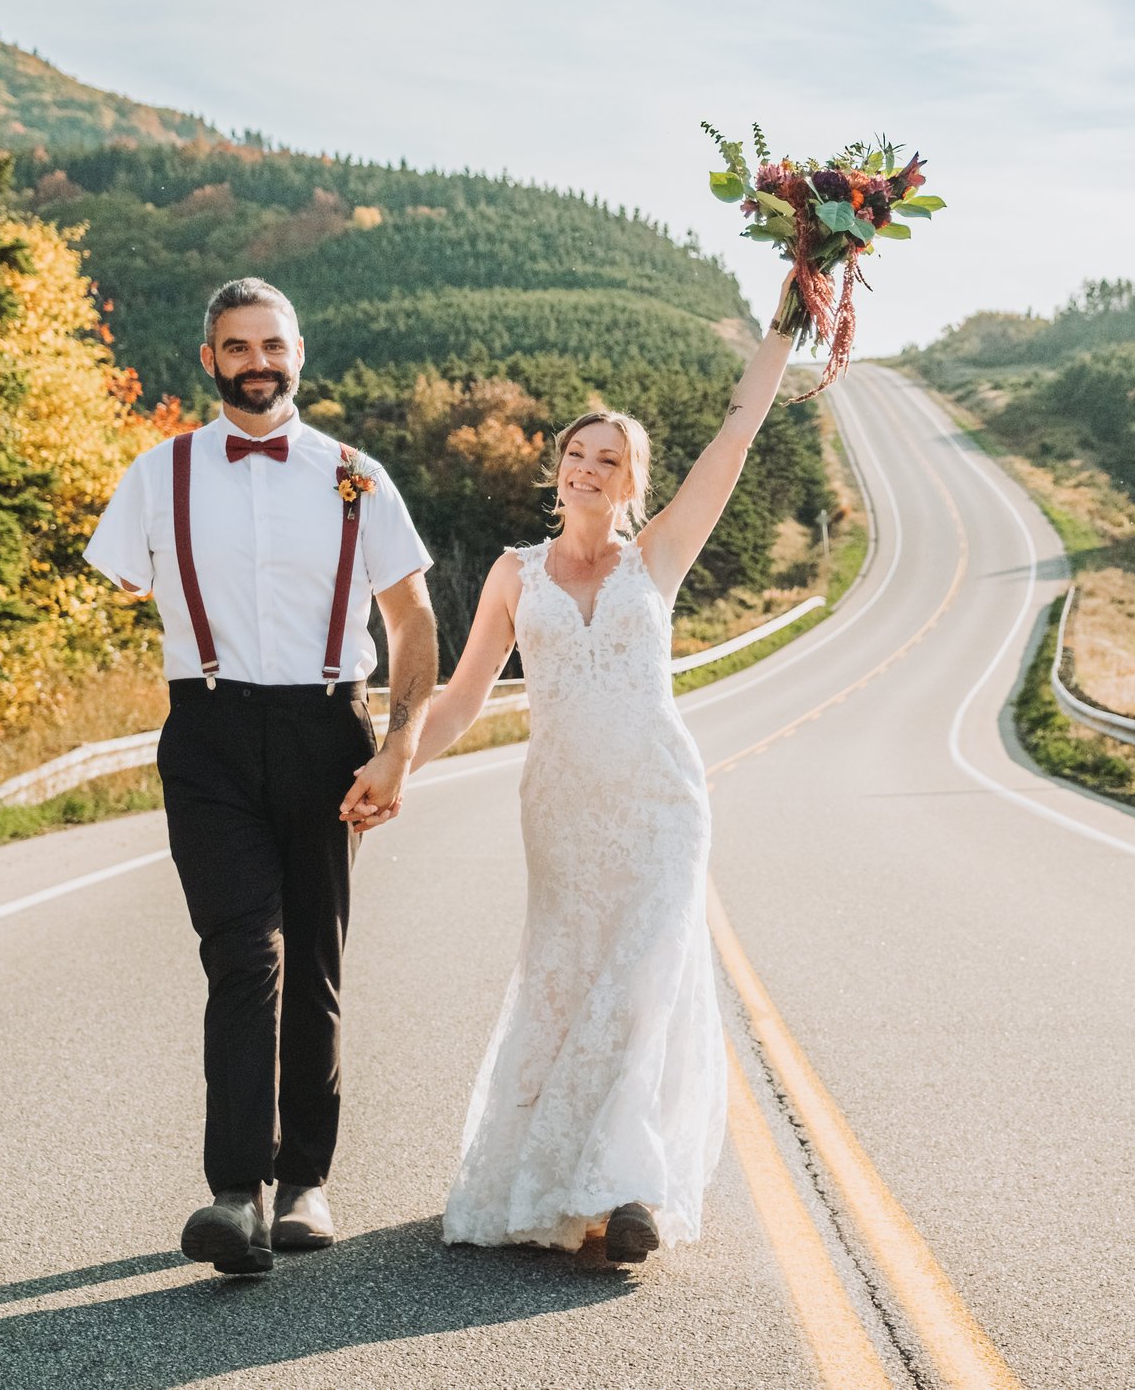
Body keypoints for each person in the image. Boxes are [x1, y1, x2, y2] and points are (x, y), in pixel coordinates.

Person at [410, 282, 798, 1263]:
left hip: (660, 803)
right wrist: (393, 762)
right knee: (567, 981)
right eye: (578, 453)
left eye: (610, 458)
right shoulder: (514, 573)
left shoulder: (657, 554)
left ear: (631, 481)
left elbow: (736, 436)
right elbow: (461, 697)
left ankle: (630, 1192)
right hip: (562, 811)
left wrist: (788, 321)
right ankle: (560, 1176)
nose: (590, 467)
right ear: (558, 470)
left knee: (641, 986)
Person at [84, 276, 439, 1275]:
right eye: (236, 346)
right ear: (209, 359)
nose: (256, 363)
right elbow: (121, 584)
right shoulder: (156, 475)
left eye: (271, 344)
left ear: (297, 351)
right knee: (244, 952)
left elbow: (412, 621)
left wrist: (398, 744)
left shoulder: (353, 476)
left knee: (314, 958)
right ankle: (233, 1193)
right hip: (205, 731)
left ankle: (306, 1181)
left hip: (328, 725)